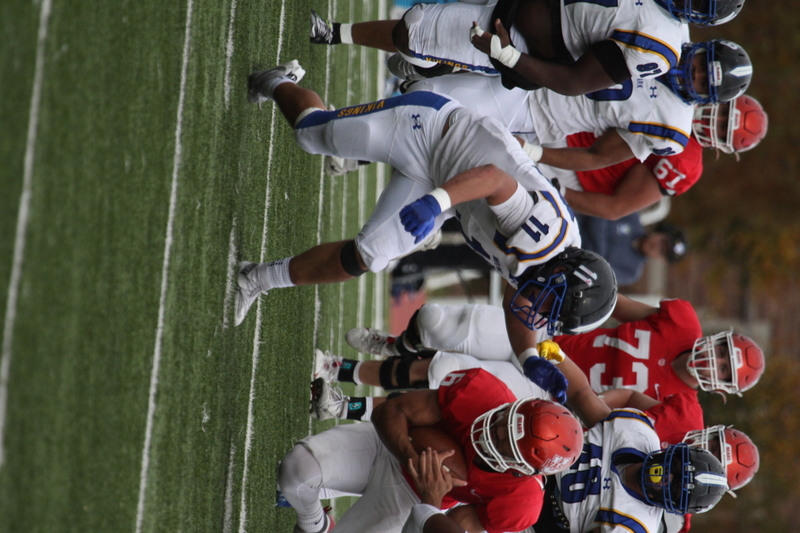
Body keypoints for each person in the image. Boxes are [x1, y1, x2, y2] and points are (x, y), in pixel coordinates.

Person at [235, 60, 618, 359]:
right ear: (564, 271)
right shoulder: (544, 231)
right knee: (312, 134)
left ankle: (257, 278)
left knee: (367, 255)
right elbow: (494, 178)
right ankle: (276, 80)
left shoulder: (546, 271)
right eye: (551, 302)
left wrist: (530, 356)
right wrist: (436, 203)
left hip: (447, 189)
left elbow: (517, 302)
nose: (541, 306)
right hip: (436, 133)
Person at [277, 367, 584, 533]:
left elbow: (450, 529)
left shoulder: (522, 502)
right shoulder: (484, 391)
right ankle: (314, 525)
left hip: (414, 500)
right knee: (296, 469)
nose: (496, 429)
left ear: (524, 469)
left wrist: (430, 497)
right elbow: (391, 411)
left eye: (505, 441)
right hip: (393, 446)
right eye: (505, 417)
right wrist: (414, 458)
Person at [344, 295, 766, 401]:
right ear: (719, 337)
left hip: (551, 391)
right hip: (547, 343)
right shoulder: (682, 321)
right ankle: (394, 344)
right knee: (436, 319)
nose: (716, 363)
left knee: (443, 372)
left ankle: (341, 376)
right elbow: (613, 304)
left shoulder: (680, 408)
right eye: (724, 353)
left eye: (726, 371)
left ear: (723, 389)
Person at [309, 0, 744, 95]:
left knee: (415, 29)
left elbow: (576, 81)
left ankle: (336, 35)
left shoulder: (661, 43)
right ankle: (336, 32)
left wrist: (509, 55)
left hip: (515, 29)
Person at [541, 94, 769, 220]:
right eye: (724, 113)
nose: (713, 121)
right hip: (572, 115)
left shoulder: (685, 161)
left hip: (573, 169)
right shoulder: (685, 87)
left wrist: (553, 191)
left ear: (723, 147)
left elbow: (615, 207)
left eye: (722, 129)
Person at [575, 217, 687, 285]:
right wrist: (599, 252)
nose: (657, 247)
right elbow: (599, 214)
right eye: (662, 242)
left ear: (660, 260)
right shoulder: (632, 218)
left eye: (662, 251)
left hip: (573, 257)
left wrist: (596, 235)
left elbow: (596, 270)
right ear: (660, 232)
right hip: (572, 224)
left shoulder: (632, 272)